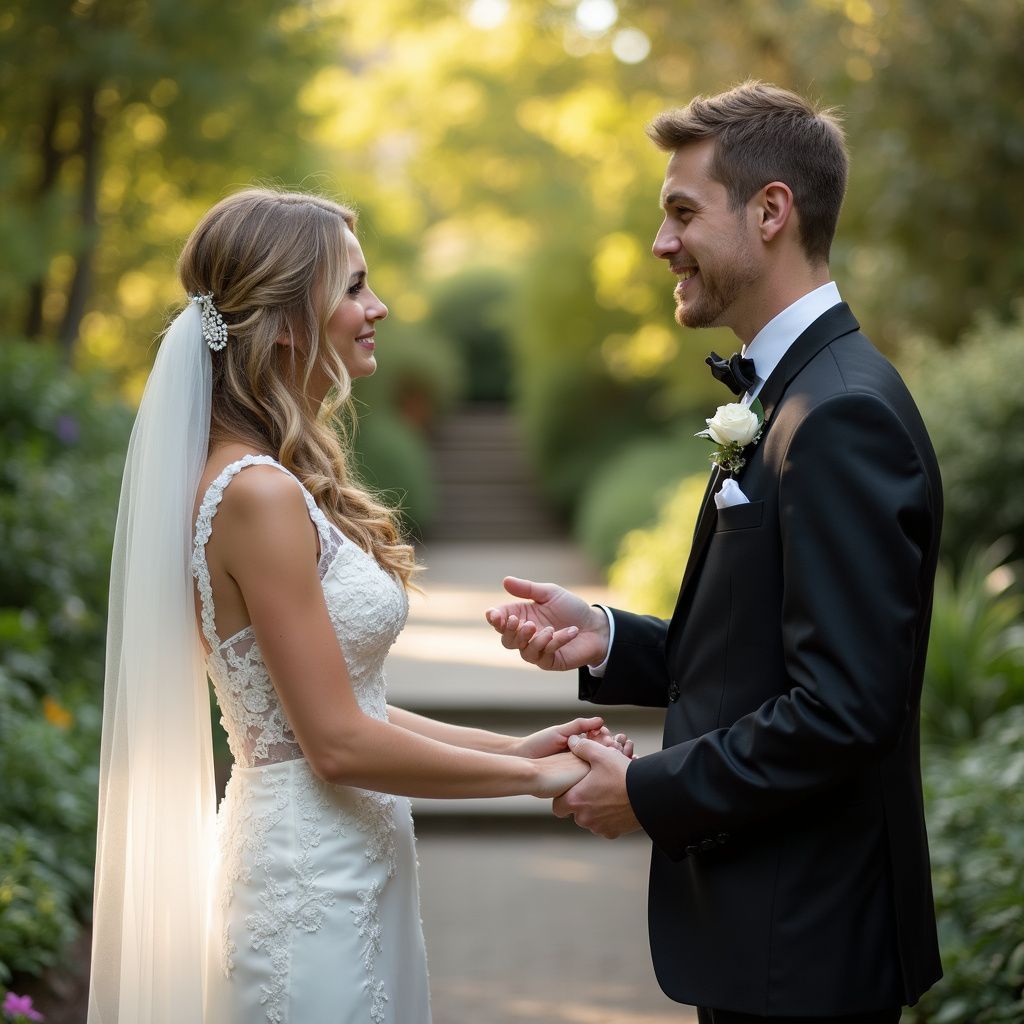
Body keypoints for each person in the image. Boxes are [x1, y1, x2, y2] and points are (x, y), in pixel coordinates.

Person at [88, 187, 633, 1024]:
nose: (376, 308)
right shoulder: (256, 495)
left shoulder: (263, 480)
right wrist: (533, 777)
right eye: (351, 287)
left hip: (348, 867)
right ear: (284, 321)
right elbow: (337, 745)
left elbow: (349, 706)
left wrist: (511, 740)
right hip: (308, 890)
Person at [486, 82, 943, 1023]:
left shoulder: (840, 412)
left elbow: (846, 710)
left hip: (805, 947)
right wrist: (608, 639)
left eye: (682, 212)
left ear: (771, 211)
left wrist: (649, 791)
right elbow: (767, 651)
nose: (661, 243)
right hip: (769, 938)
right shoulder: (792, 395)